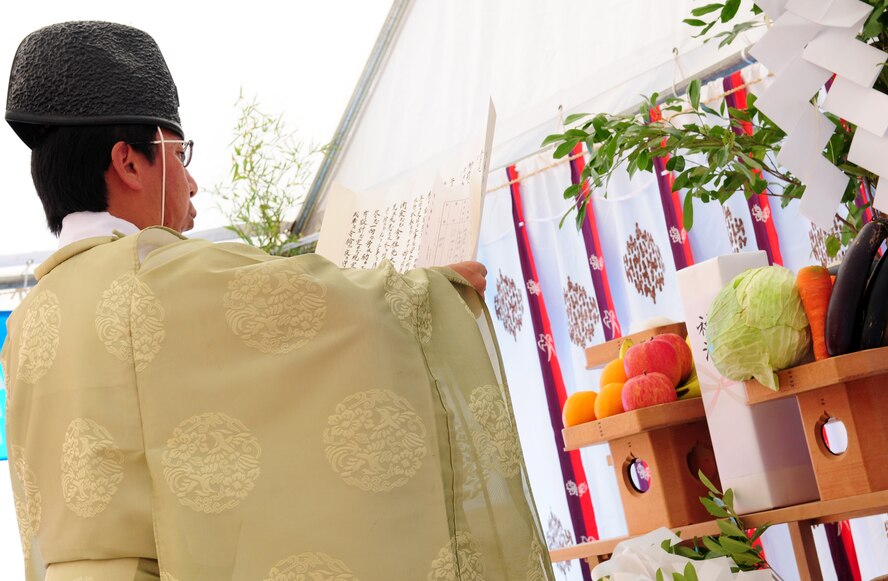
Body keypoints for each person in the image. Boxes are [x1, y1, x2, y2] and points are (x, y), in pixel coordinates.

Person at [1, 21, 553, 581]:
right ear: (128, 162)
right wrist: (430, 292)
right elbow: (349, 318)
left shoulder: (26, 322)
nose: (191, 184)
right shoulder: (155, 275)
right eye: (179, 153)